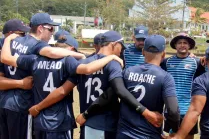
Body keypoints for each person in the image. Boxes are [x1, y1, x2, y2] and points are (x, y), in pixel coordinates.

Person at [27, 31, 164, 139]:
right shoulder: (113, 63)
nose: (121, 51)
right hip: (103, 123)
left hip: (85, 122)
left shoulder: (85, 62)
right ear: (113, 44)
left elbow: (64, 89)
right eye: (120, 46)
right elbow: (112, 93)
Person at [1, 33, 124, 139]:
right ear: (71, 49)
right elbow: (64, 89)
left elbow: (6, 58)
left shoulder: (34, 59)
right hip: (59, 121)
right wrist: (112, 57)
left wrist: (7, 39)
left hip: (38, 121)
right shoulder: (68, 61)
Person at [0, 13, 85, 139]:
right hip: (22, 104)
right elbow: (51, 51)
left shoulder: (11, 42)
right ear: (40, 28)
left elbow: (5, 59)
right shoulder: (37, 45)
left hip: (4, 103)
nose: (52, 33)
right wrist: (80, 56)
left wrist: (6, 39)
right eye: (50, 28)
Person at [116, 35, 180, 139]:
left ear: (143, 52)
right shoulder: (165, 77)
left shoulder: (127, 72)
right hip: (149, 134)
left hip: (124, 133)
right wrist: (175, 130)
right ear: (163, 54)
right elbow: (173, 110)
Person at [161, 33, 205, 139]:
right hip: (172, 108)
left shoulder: (197, 63)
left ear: (189, 46)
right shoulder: (166, 62)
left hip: (189, 109)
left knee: (189, 137)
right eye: (179, 43)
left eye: (185, 43)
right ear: (175, 45)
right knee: (172, 136)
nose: (182, 45)